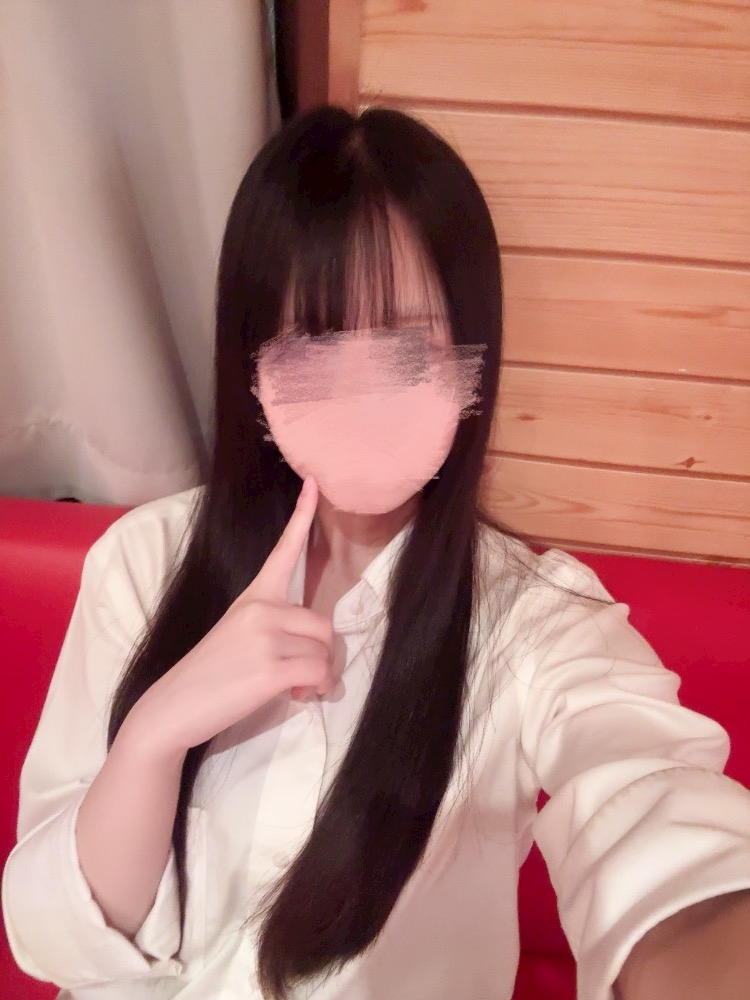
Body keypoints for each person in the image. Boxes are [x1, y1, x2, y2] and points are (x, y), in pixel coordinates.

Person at [3, 105, 750, 1000]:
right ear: (253, 364)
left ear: (470, 360)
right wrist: (155, 736)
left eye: (405, 347)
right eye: (315, 343)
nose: (361, 394)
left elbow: (644, 789)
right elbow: (50, 943)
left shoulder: (533, 618)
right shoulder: (144, 561)